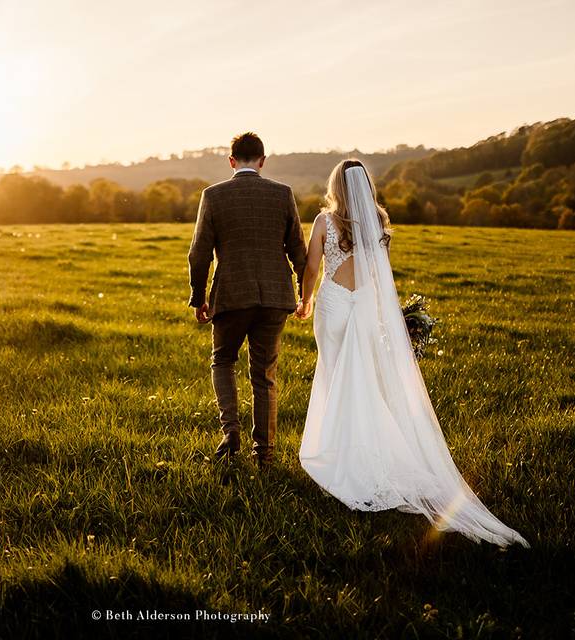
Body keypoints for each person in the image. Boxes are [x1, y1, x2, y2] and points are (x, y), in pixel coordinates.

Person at [295, 158, 529, 547]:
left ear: (335, 184)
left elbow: (312, 267)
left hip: (334, 306)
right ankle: (365, 453)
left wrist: (305, 300)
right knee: (366, 384)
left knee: (335, 377)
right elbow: (380, 277)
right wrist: (386, 320)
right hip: (366, 306)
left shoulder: (324, 221)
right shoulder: (379, 222)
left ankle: (339, 456)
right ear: (366, 185)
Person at [187, 132, 307, 469]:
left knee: (223, 360)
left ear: (231, 161)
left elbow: (198, 254)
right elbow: (298, 248)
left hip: (231, 294)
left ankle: (231, 431)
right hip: (274, 296)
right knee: (264, 374)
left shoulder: (213, 195)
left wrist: (198, 297)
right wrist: (302, 292)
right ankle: (264, 454)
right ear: (263, 160)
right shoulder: (282, 194)